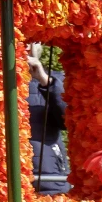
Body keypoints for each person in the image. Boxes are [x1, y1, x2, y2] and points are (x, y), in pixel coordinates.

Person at [27, 43, 70, 194]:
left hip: (49, 178)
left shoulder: (54, 79)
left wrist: (45, 81)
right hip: (4, 181)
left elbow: (67, 121)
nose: (26, 47)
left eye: (31, 42)